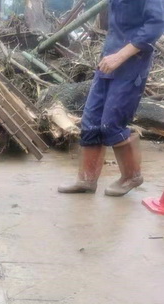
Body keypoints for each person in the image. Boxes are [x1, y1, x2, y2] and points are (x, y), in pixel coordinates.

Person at [59, 0, 164, 196]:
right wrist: (112, 55)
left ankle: (132, 176)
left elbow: (156, 25)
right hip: (109, 57)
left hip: (132, 63)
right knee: (91, 122)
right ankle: (86, 180)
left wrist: (120, 56)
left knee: (111, 124)